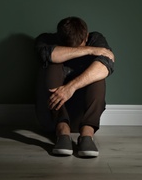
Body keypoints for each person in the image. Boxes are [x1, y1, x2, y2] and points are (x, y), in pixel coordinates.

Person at [35, 16, 115, 157]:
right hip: (52, 118)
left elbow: (106, 65)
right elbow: (48, 54)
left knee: (97, 74)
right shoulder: (45, 40)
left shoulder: (96, 39)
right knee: (52, 65)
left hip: (83, 117)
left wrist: (70, 88)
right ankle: (62, 133)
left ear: (87, 36)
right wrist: (89, 50)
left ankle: (86, 136)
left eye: (83, 44)